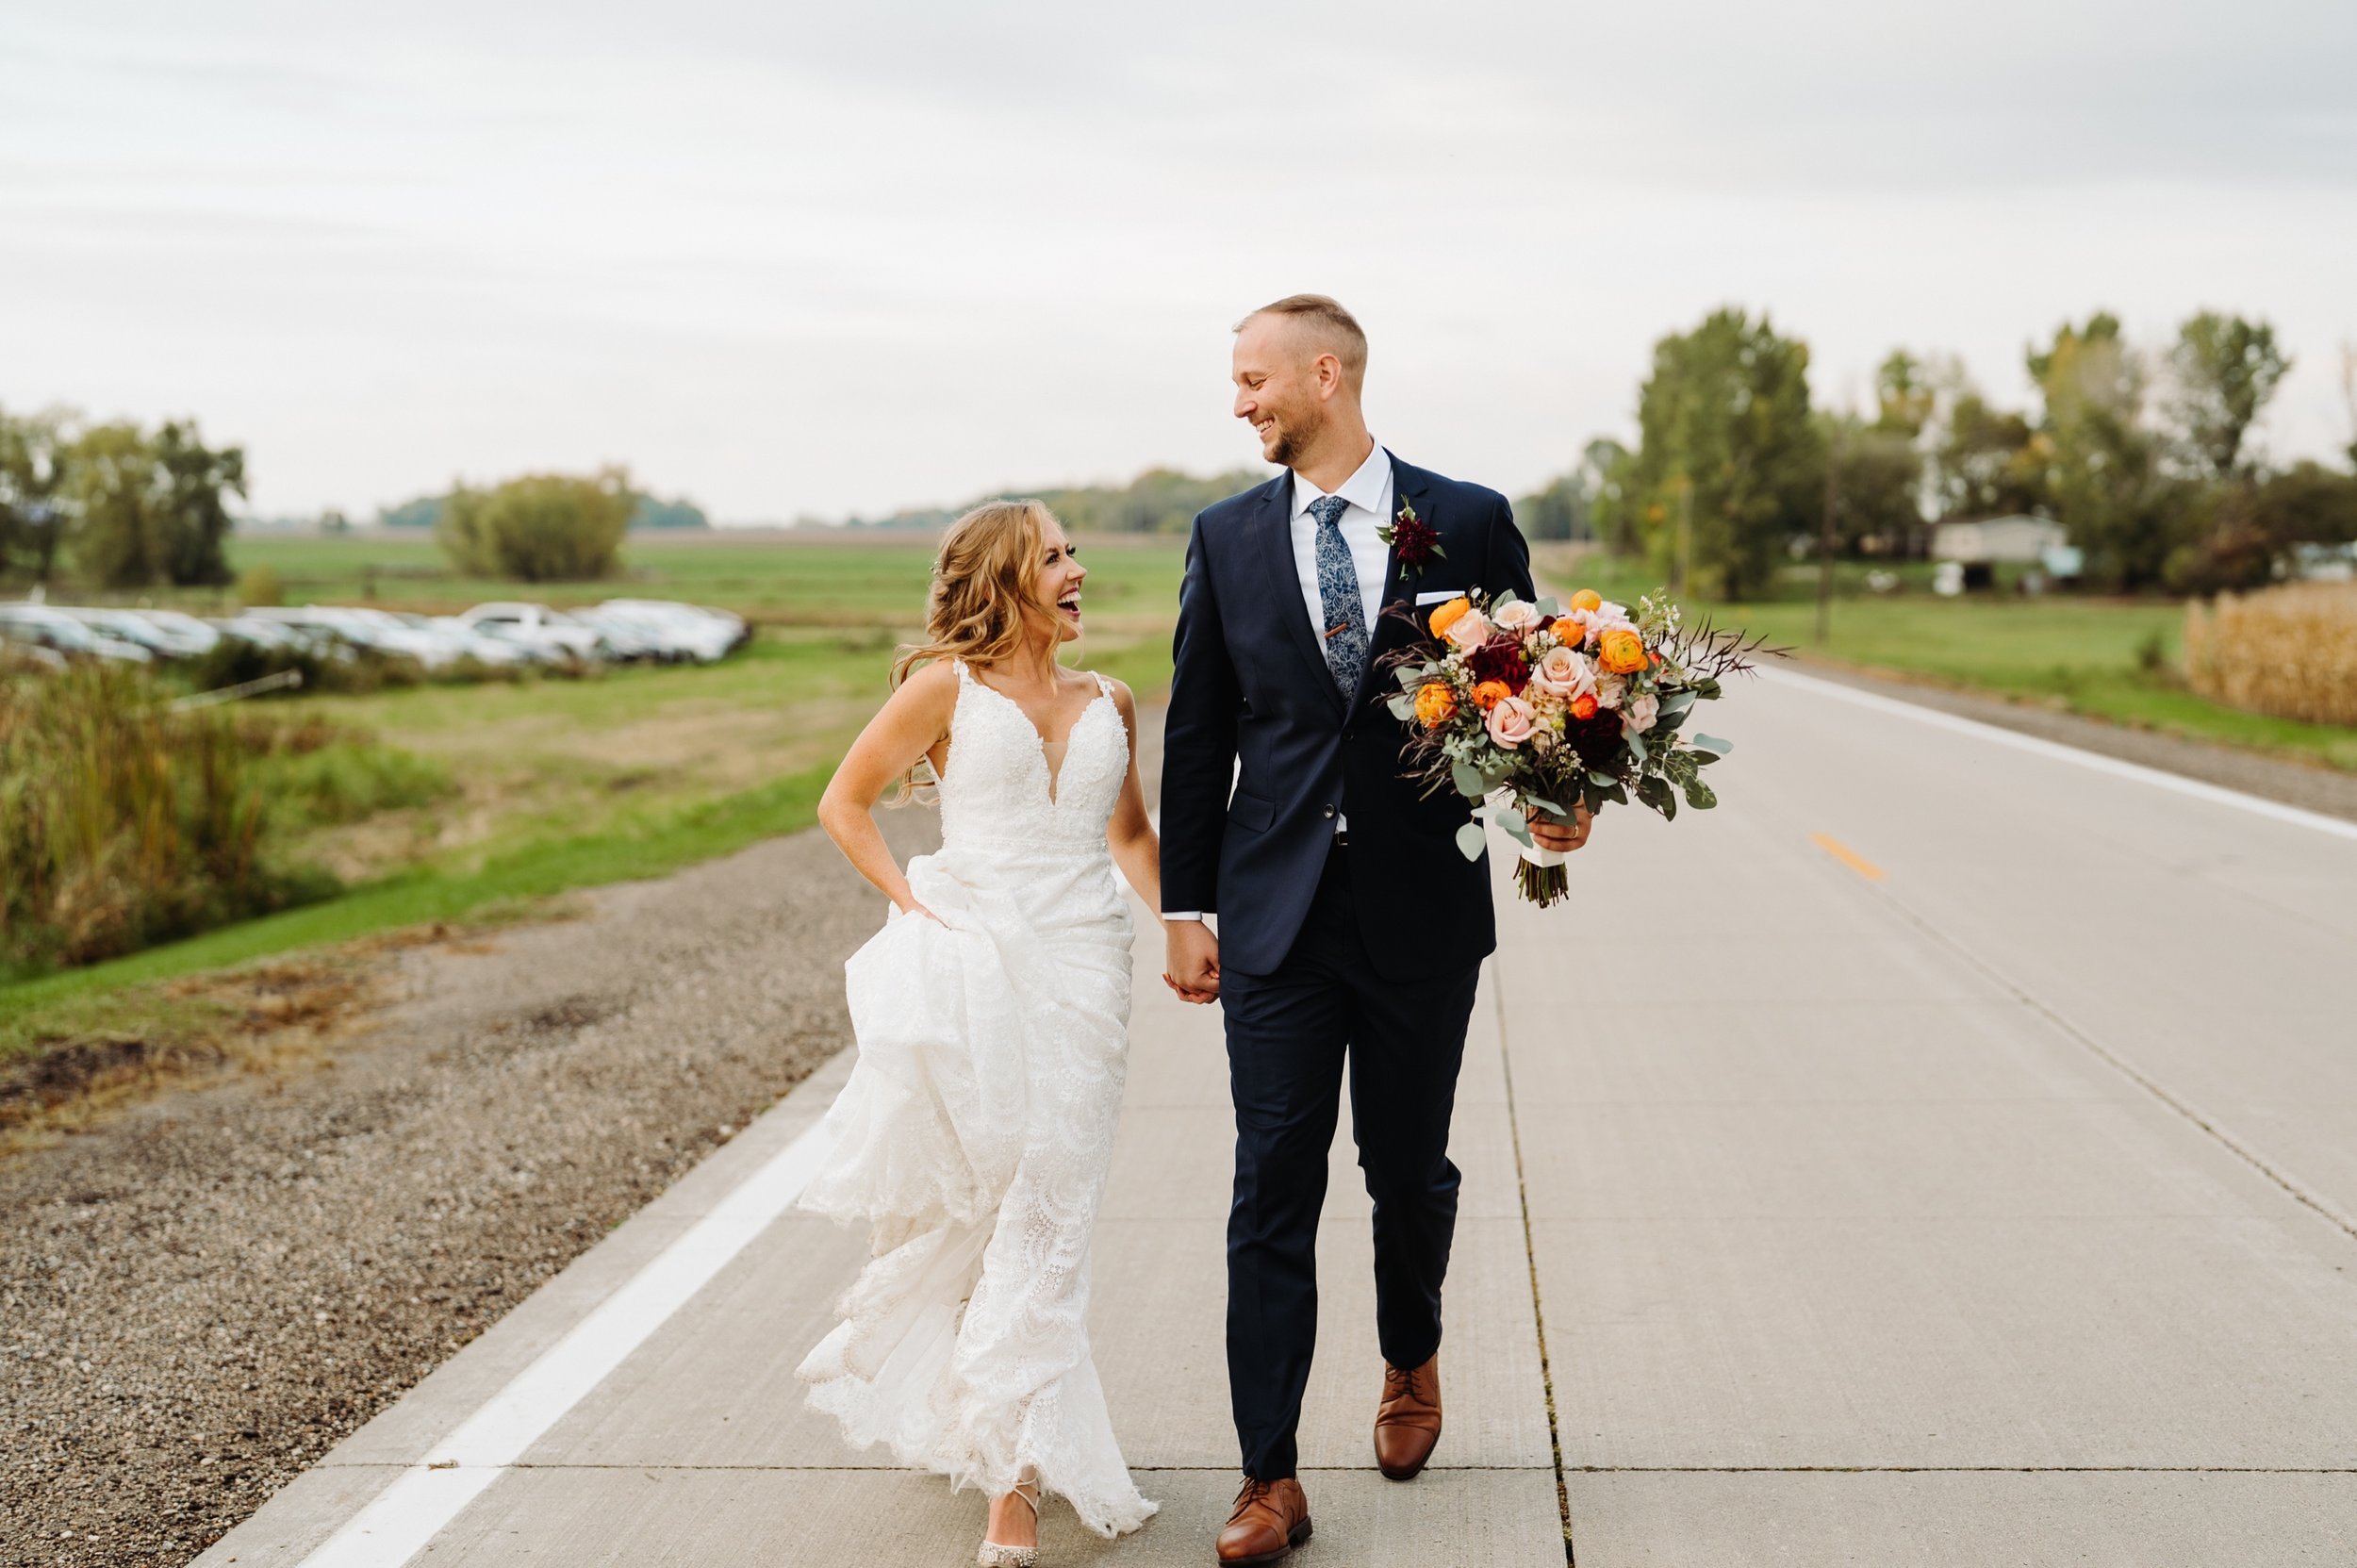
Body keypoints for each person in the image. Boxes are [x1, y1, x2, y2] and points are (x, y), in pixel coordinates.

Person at [1160, 295, 1593, 1565]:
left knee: (1406, 1172)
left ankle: (1412, 1353)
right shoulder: (1225, 536)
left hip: (1420, 909)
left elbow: (1539, 690)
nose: (1240, 400)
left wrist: (1557, 808)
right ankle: (1268, 1475)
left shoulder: (1466, 517)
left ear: (1326, 372)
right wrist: (1188, 905)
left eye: (1253, 377)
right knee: (1271, 1184)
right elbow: (1197, 740)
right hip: (1275, 917)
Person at [796, 500, 1161, 1566]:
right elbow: (844, 803)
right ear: (1004, 576)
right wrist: (913, 906)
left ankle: (1014, 1476)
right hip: (981, 963)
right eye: (1053, 556)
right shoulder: (941, 689)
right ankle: (1008, 1439)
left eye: (1072, 554)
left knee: (1053, 1203)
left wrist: (1193, 926)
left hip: (1088, 964)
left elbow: (1130, 836)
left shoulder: (1113, 698)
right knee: (1009, 1199)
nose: (1075, 569)